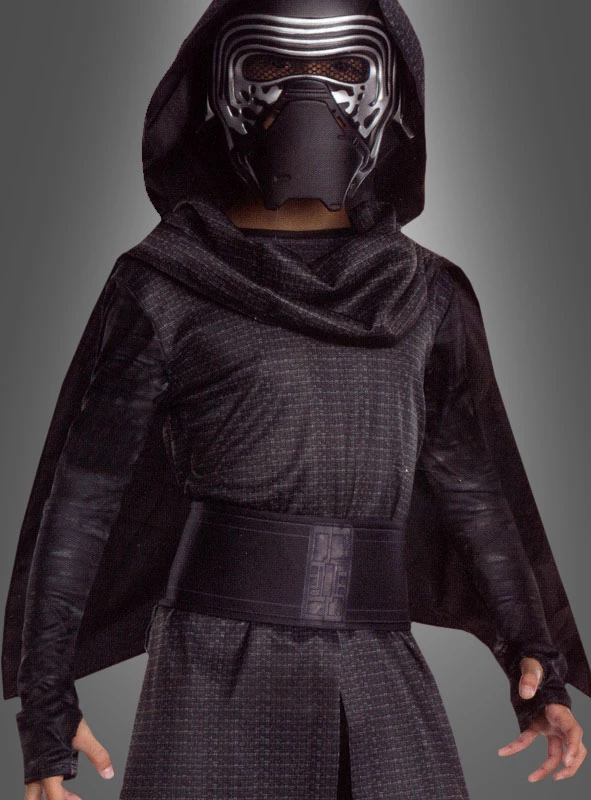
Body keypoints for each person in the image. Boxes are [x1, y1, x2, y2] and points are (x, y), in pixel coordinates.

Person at [2, 0, 589, 798]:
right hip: (214, 678)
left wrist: (535, 661)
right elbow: (82, 499)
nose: (307, 93)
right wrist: (45, 710)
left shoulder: (424, 291)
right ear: (224, 84)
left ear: (384, 88)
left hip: (377, 668)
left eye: (341, 67)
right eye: (274, 65)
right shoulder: (164, 282)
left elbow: (472, 487)